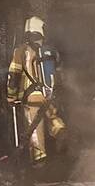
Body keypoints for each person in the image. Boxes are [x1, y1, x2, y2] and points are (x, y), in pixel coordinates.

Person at [7, 16, 65, 164]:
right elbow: (59, 74)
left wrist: (11, 96)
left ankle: (39, 163)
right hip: (49, 94)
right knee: (53, 117)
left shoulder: (21, 51)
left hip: (31, 98)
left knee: (34, 131)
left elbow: (13, 76)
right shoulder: (51, 51)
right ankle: (60, 131)